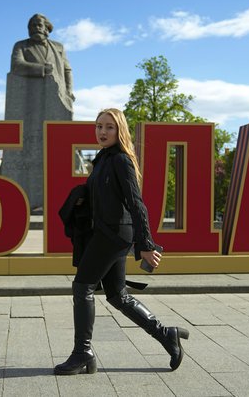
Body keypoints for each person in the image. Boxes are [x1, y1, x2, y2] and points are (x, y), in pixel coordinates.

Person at [54, 108, 189, 376]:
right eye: (98, 126)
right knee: (117, 295)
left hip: (113, 235)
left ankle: (82, 352)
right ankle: (166, 335)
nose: (102, 132)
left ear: (120, 131)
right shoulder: (103, 160)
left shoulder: (121, 160)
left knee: (83, 286)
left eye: (109, 127)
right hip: (108, 233)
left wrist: (146, 244)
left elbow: (136, 203)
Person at [10, 13, 75, 110]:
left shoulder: (58, 47)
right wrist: (42, 69)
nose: (36, 28)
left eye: (39, 25)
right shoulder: (21, 45)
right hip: (30, 95)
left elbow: (67, 70)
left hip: (57, 94)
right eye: (33, 25)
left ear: (46, 28)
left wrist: (68, 90)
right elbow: (16, 65)